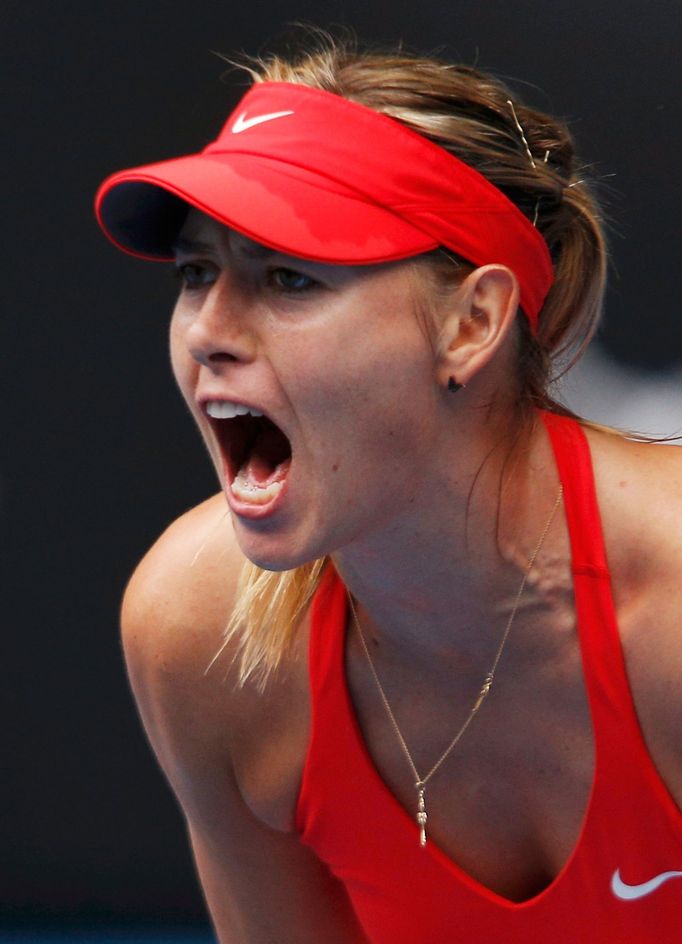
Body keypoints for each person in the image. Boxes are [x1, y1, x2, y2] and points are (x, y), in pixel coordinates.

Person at [95, 36, 682, 944]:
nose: (207, 330)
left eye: (288, 277)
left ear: (471, 323)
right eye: (197, 272)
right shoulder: (194, 628)